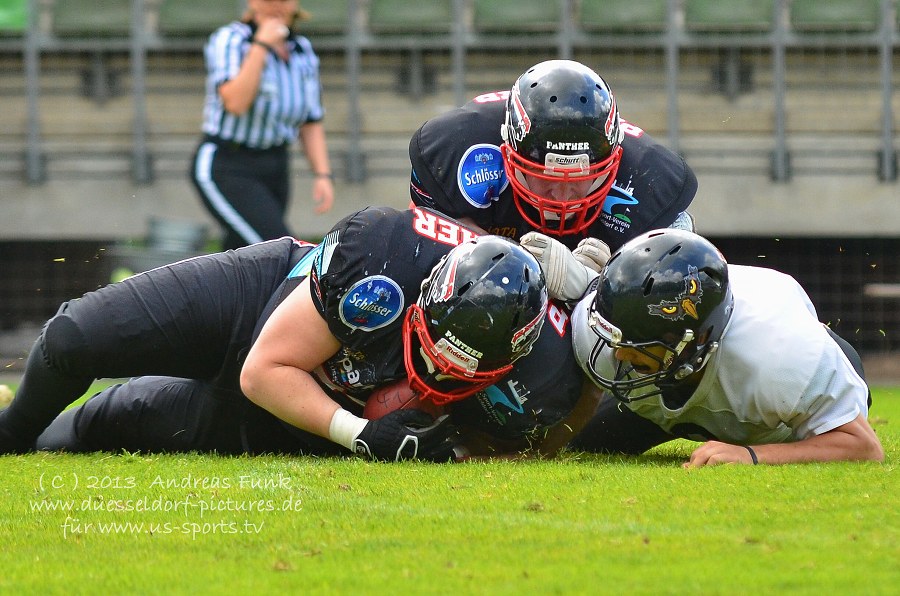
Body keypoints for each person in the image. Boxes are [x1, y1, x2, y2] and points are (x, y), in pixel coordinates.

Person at [0, 206, 583, 461]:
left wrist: (451, 451)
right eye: (431, 354)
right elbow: (263, 368)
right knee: (73, 337)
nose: (434, 374)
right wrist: (363, 434)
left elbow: (553, 428)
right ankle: (9, 434)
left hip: (293, 420)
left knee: (113, 421)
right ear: (423, 300)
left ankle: (44, 439)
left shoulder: (543, 374)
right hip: (264, 301)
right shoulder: (379, 257)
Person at [560, 228, 883, 466]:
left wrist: (752, 456)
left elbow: (864, 447)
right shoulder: (596, 333)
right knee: (580, 442)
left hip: (768, 407)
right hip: (672, 383)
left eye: (638, 344)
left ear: (695, 340)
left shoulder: (778, 357)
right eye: (617, 338)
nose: (620, 354)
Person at [408, 59, 698, 260]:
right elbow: (421, 252)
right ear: (508, 152)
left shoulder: (649, 178)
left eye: (579, 180)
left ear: (614, 161)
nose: (561, 196)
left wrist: (599, 283)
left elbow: (683, 273)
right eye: (544, 177)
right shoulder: (458, 150)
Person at [191, 0, 334, 250]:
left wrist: (322, 174)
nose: (277, 5)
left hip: (275, 165)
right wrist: (261, 45)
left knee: (243, 255)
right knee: (281, 249)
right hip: (228, 164)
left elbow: (310, 120)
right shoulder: (231, 40)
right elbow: (235, 102)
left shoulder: (301, 50)